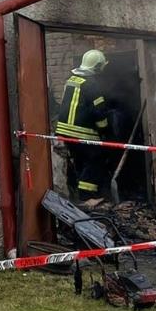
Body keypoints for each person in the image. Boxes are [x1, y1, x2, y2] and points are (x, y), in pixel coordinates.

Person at [54, 49, 114, 200]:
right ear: (97, 66)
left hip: (64, 131)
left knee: (80, 161)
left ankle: (78, 195)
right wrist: (105, 130)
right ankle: (87, 196)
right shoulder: (92, 84)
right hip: (82, 132)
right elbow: (98, 111)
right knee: (95, 160)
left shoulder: (71, 80)